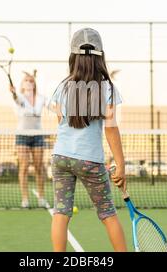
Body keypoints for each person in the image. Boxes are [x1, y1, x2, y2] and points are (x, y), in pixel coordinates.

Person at [50, 28, 127, 252]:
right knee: (108, 214)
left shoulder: (62, 87)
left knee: (61, 213)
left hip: (61, 157)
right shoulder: (107, 88)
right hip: (90, 162)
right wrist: (120, 165)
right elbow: (111, 129)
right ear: (100, 57)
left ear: (73, 57)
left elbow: (60, 121)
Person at [10, 72, 50, 209]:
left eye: (31, 80)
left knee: (39, 167)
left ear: (34, 83)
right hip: (22, 136)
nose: (28, 82)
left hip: (38, 135)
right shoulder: (20, 97)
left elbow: (52, 106)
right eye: (26, 80)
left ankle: (41, 197)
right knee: (24, 166)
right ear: (22, 84)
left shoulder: (41, 98)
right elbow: (16, 99)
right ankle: (25, 199)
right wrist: (13, 93)